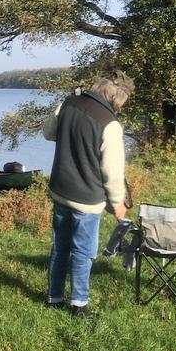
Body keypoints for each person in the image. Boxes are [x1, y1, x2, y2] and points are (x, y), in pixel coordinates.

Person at [43, 69, 134, 318]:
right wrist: (118, 204)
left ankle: (54, 297)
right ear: (119, 98)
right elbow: (112, 172)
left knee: (60, 247)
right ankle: (79, 305)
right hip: (86, 198)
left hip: (60, 188)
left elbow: (49, 133)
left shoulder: (69, 102)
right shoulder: (110, 124)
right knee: (83, 252)